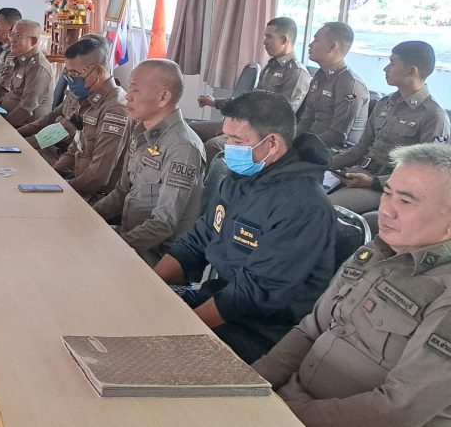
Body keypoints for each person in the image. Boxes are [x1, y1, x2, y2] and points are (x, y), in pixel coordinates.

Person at [254, 143, 451, 427]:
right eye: (387, 194)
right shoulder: (375, 252)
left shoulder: (443, 292)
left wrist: (282, 416)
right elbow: (310, 330)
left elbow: (397, 410)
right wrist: (250, 383)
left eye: (406, 202)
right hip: (288, 401)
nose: (386, 210)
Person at [154, 90, 336, 363]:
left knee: (153, 354)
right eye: (227, 137)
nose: (228, 147)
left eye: (237, 140)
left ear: (272, 143)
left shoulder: (303, 206)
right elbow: (198, 240)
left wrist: (182, 330)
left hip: (259, 329)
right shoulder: (238, 181)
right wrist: (149, 285)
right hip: (220, 300)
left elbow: (256, 292)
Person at [93, 59, 205, 266]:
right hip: (128, 238)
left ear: (163, 97)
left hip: (154, 255)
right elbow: (121, 192)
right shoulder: (142, 133)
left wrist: (115, 246)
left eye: (135, 89)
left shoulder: (182, 147)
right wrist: (88, 217)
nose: (128, 96)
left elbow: (163, 224)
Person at [328, 41, 450, 214]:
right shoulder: (385, 103)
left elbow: (429, 173)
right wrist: (325, 163)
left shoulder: (433, 116)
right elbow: (361, 148)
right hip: (359, 172)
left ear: (411, 71)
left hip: (388, 187)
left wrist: (374, 182)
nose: (386, 69)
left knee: (325, 207)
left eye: (392, 64)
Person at [193, 17, 312, 159]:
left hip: (260, 133)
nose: (264, 42)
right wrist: (216, 102)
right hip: (243, 123)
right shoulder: (270, 67)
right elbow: (249, 100)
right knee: (190, 131)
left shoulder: (296, 73)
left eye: (269, 37)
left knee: (213, 146)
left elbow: (282, 116)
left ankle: (214, 174)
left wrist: (243, 129)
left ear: (284, 40)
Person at [49, 36, 130, 202]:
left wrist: (64, 189)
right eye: (68, 74)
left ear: (98, 71)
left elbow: (98, 176)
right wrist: (52, 176)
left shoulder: (115, 109)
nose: (71, 81)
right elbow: (75, 148)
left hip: (97, 197)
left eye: (75, 74)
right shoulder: (88, 99)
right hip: (78, 184)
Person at [296, 22, 370, 152]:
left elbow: (337, 135)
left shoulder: (349, 84)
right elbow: (306, 120)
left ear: (332, 46)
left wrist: (301, 147)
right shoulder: (319, 77)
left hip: (334, 151)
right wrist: (289, 142)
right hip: (311, 145)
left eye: (316, 40)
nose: (310, 44)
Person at [0, 19, 54, 128]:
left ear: (33, 41)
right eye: (12, 35)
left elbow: (26, 109)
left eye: (18, 36)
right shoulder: (15, 57)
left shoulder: (38, 67)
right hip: (3, 117)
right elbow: (2, 87)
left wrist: (2, 128)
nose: (12, 40)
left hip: (23, 128)